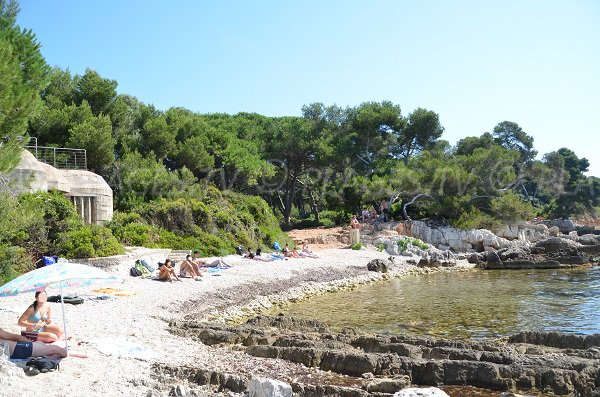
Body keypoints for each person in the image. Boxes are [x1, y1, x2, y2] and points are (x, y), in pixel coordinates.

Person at [0, 327, 67, 359]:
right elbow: (17, 338)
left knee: (39, 343)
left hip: (14, 351)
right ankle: (68, 354)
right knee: (56, 349)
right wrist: (30, 343)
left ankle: (47, 354)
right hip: (18, 349)